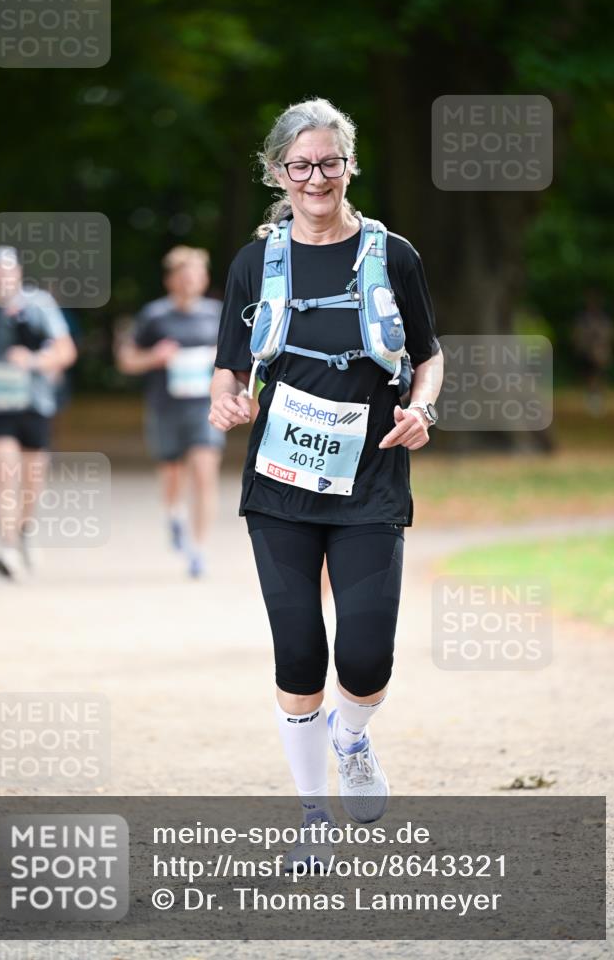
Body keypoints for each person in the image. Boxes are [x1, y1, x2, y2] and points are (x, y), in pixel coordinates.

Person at [209, 98, 443, 869]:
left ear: (349, 166)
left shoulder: (391, 255)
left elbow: (428, 354)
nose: (316, 178)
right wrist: (225, 400)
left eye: (329, 163)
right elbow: (229, 366)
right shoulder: (255, 263)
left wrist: (421, 407)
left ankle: (351, 739)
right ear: (277, 172)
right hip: (280, 483)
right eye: (300, 165)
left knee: (366, 657)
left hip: (370, 479)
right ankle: (313, 815)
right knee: (299, 651)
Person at [0, 246, 77, 580]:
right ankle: (7, 548)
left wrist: (33, 360)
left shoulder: (39, 306)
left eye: (7, 270)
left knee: (31, 482)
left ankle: (24, 529)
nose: (1, 277)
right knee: (3, 474)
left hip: (35, 404)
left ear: (19, 274)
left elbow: (66, 351)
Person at [116, 246, 224, 577]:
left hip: (205, 407)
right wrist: (154, 357)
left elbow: (238, 357)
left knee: (204, 471)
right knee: (173, 473)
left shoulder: (217, 314)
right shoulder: (154, 316)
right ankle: (174, 515)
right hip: (165, 407)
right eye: (183, 275)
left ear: (204, 279)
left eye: (196, 274)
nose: (190, 281)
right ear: (170, 280)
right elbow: (127, 360)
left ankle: (199, 549)